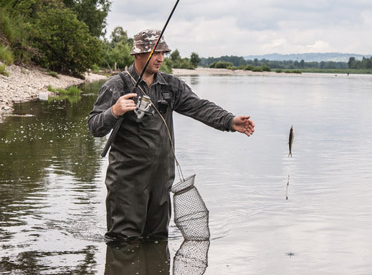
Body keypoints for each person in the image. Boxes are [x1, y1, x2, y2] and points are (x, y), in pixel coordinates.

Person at [88, 29, 255, 244]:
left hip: (161, 180)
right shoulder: (117, 85)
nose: (160, 58)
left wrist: (230, 121)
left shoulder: (170, 85)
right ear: (138, 54)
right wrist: (114, 111)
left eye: (163, 53)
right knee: (123, 243)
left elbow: (199, 107)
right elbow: (94, 126)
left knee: (157, 240)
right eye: (155, 53)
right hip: (127, 182)